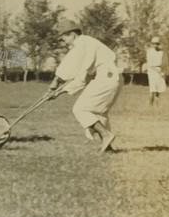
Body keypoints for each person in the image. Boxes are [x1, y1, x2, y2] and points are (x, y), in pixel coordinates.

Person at [47, 20, 122, 153]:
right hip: (111, 77)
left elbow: (83, 74)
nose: (61, 40)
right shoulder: (84, 43)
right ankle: (108, 147)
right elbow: (71, 67)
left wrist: (59, 91)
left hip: (106, 76)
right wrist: (57, 82)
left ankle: (106, 135)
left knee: (80, 109)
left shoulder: (83, 44)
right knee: (99, 113)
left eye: (63, 37)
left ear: (72, 35)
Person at [146, 36, 169, 106]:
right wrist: (156, 70)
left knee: (159, 89)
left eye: (157, 43)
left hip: (160, 71)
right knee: (152, 89)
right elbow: (149, 63)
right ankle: (150, 105)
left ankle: (157, 105)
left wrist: (164, 71)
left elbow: (165, 62)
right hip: (152, 71)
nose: (155, 45)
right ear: (151, 44)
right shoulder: (149, 52)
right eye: (153, 43)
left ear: (159, 43)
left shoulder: (162, 52)